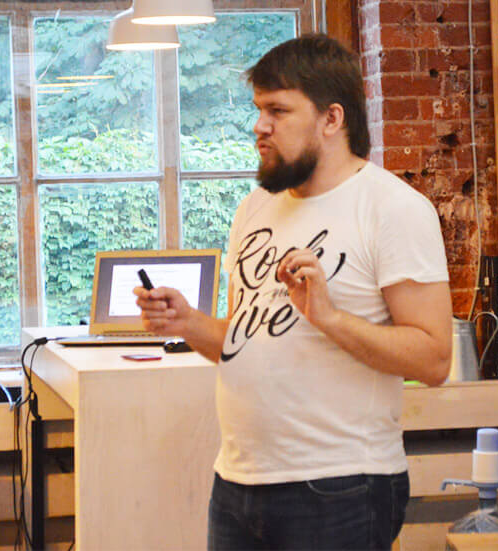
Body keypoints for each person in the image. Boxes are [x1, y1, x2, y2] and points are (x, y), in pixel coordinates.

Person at [135, 34, 452, 551]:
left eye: (277, 111)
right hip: (237, 482)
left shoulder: (394, 209)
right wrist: (187, 322)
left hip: (342, 487)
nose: (259, 126)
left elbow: (434, 360)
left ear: (332, 119)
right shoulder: (255, 208)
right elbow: (243, 342)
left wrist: (329, 317)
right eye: (258, 110)